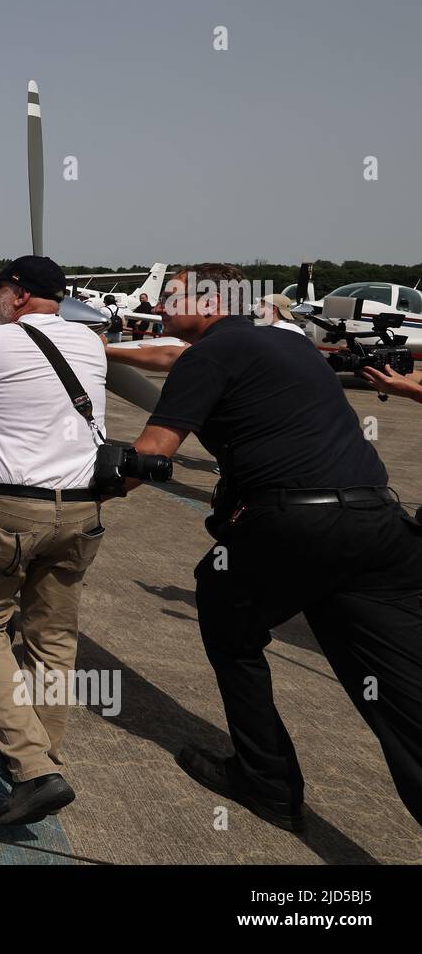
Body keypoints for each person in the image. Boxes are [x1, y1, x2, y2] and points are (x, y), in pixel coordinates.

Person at [122, 263, 422, 830]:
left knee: (225, 614)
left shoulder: (208, 355)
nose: (159, 308)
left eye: (171, 298)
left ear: (211, 303)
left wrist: (53, 492)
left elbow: (150, 458)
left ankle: (267, 782)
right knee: (403, 698)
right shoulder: (290, 346)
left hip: (291, 528)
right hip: (377, 524)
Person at [0, 254, 107, 825]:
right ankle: (41, 760)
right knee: (52, 638)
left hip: (9, 510)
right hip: (82, 512)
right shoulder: (91, 344)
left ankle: (34, 769)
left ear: (21, 296)